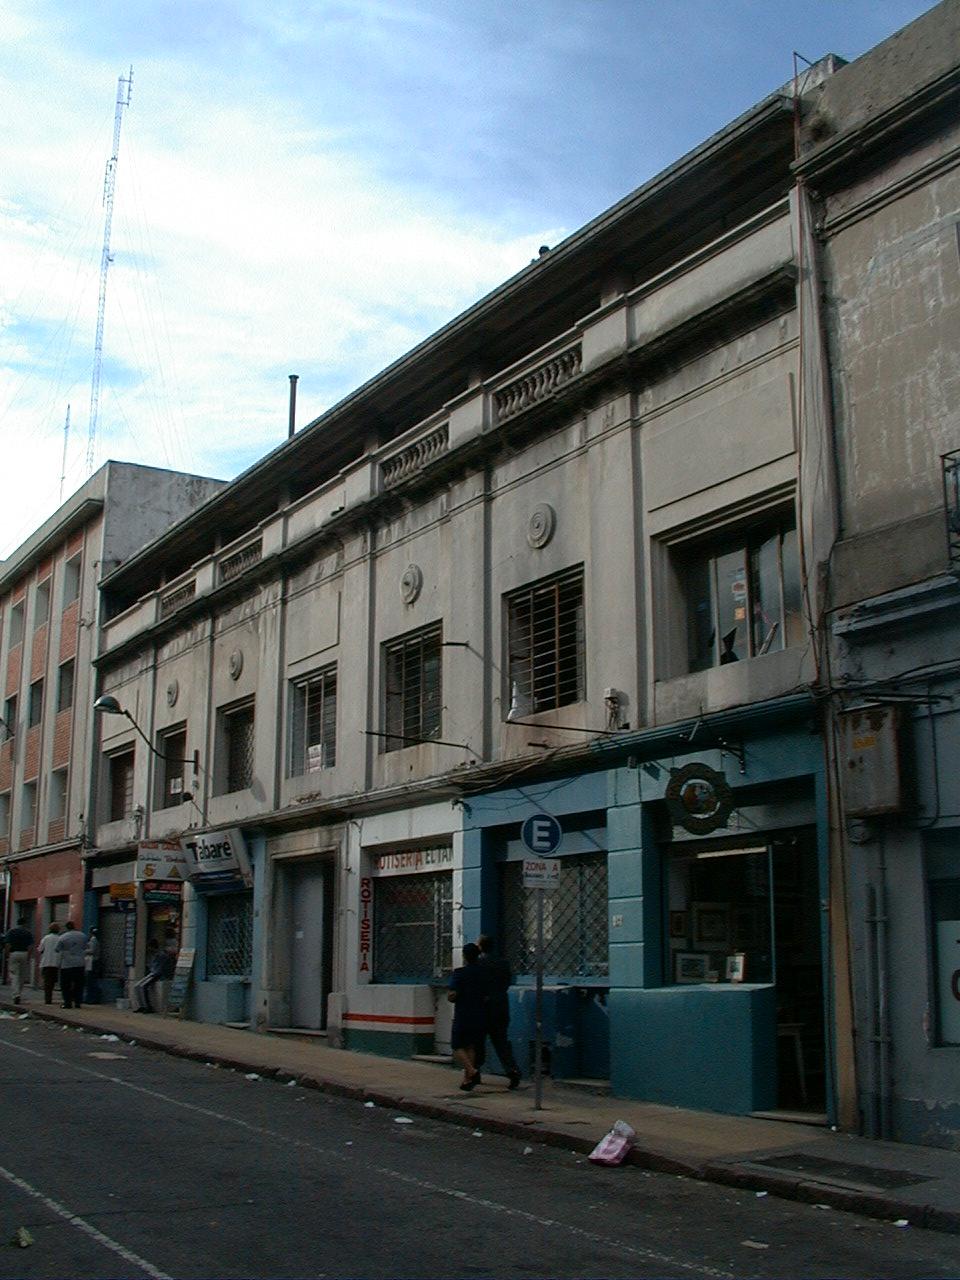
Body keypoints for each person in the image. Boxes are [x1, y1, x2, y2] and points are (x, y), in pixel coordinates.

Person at [477, 933, 522, 1089]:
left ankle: (474, 1072)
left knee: (478, 1042)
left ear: (480, 947)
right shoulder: (503, 963)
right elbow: (507, 982)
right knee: (501, 1043)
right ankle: (512, 1070)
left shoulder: (478, 963)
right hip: (501, 1006)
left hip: (483, 1008)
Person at [447, 942, 487, 1091]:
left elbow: (452, 994)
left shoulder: (460, 973)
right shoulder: (483, 973)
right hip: (479, 1013)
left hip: (463, 1013)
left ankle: (471, 1071)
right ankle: (467, 1080)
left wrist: (454, 996)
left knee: (457, 1044)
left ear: (464, 956)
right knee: (471, 1045)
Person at [134, 937, 174, 1013]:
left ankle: (148, 1006)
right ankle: (142, 1006)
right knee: (137, 986)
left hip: (158, 974)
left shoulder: (161, 955)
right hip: (153, 973)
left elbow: (159, 969)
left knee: (143, 986)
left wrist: (152, 973)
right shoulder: (155, 955)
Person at [56, 920, 87, 1009]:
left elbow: (57, 949)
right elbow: (85, 947)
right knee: (79, 984)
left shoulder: (62, 937)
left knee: (66, 985)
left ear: (66, 927)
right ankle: (78, 1002)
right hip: (80, 963)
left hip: (67, 964)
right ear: (74, 926)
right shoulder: (83, 936)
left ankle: (67, 1003)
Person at [3, 916, 34, 1005]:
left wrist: (7, 955)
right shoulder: (28, 933)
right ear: (25, 923)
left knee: (14, 974)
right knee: (22, 976)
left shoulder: (11, 932)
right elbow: (30, 946)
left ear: (17, 923)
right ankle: (19, 993)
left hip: (14, 953)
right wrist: (28, 957)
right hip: (24, 953)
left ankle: (16, 994)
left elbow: (7, 944)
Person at [37, 922, 61, 1005]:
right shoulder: (59, 938)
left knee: (47, 982)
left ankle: (48, 999)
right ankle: (49, 997)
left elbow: (40, 949)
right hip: (56, 963)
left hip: (46, 962)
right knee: (53, 981)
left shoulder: (46, 938)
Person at [84, 928, 101, 1004]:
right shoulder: (96, 940)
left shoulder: (93, 940)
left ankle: (91, 999)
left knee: (90, 981)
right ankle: (91, 998)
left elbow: (92, 951)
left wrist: (84, 950)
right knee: (92, 980)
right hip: (93, 962)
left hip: (92, 962)